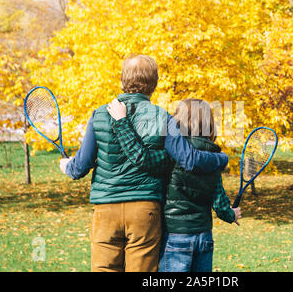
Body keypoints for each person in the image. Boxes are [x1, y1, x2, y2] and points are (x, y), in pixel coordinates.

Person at [59, 55, 228, 272]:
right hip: (144, 211)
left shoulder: (100, 114)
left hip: (106, 209)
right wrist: (220, 159)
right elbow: (187, 158)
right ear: (154, 84)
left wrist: (66, 165)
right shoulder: (163, 117)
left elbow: (80, 167)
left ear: (122, 81)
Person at [107, 98, 242, 272]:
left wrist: (122, 122)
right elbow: (220, 203)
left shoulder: (170, 153)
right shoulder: (214, 157)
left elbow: (144, 159)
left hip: (175, 236)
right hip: (204, 236)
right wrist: (232, 214)